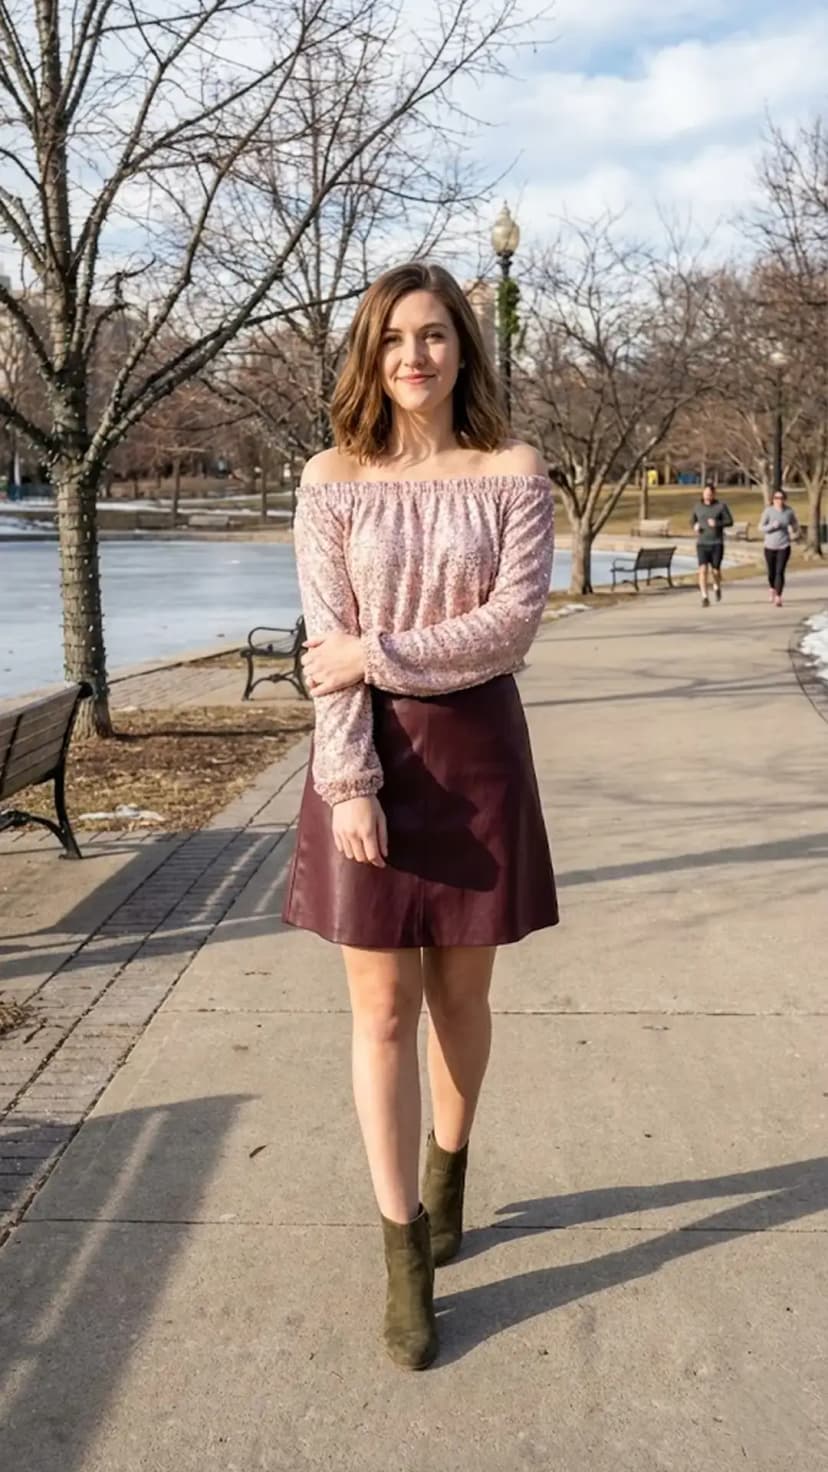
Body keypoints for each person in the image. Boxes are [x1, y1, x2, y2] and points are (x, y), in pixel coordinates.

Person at [282, 261, 558, 1370]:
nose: (415, 355)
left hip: (479, 754)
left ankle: (449, 1166)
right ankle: (403, 1248)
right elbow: (323, 643)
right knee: (381, 1010)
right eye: (394, 336)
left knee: (461, 998)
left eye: (436, 335)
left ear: (463, 350)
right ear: (369, 350)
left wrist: (376, 652)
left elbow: (511, 625)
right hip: (368, 755)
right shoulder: (329, 477)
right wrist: (350, 783)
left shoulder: (512, 469)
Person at [690, 481, 733, 606]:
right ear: (703, 494)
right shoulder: (697, 506)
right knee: (702, 570)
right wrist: (695, 525)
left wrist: (717, 523)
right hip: (702, 543)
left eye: (710, 494)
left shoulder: (721, 506)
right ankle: (704, 597)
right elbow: (692, 520)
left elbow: (730, 521)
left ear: (714, 494)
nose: (708, 496)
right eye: (706, 493)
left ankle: (716, 586)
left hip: (716, 543)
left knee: (715, 571)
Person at [760, 489, 800, 606]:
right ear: (773, 500)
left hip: (784, 545)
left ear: (784, 499)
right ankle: (772, 588)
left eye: (781, 498)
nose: (779, 500)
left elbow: (795, 524)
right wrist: (772, 526)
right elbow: (760, 527)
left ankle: (778, 596)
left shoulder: (789, 511)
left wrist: (794, 531)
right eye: (776, 498)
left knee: (780, 571)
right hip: (769, 546)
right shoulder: (768, 511)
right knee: (771, 572)